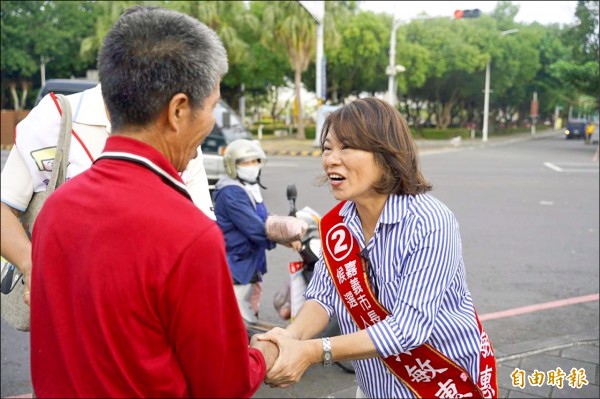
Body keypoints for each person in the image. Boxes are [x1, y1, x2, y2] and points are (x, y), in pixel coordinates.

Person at [29, 6, 277, 397]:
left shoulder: (56, 209)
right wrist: (265, 353)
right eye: (211, 107)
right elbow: (225, 384)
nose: (211, 122)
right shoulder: (190, 235)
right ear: (178, 110)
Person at [258, 97, 498, 398]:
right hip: (376, 386)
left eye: (347, 147)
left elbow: (408, 328)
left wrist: (312, 351)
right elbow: (323, 297)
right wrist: (287, 338)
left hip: (442, 383)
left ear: (386, 154)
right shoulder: (337, 225)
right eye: (328, 147)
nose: (331, 159)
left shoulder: (430, 222)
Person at [1, 85, 214, 308]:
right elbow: (5, 206)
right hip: (69, 307)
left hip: (150, 310)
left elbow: (202, 235)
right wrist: (31, 264)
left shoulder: (180, 130)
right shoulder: (57, 116)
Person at [213, 139, 303, 322]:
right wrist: (287, 239)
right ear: (232, 165)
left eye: (255, 161)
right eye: (246, 162)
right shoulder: (231, 192)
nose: (252, 166)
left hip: (250, 261)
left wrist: (290, 225)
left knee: (250, 310)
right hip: (236, 264)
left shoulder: (248, 187)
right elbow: (255, 229)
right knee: (238, 319)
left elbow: (266, 217)